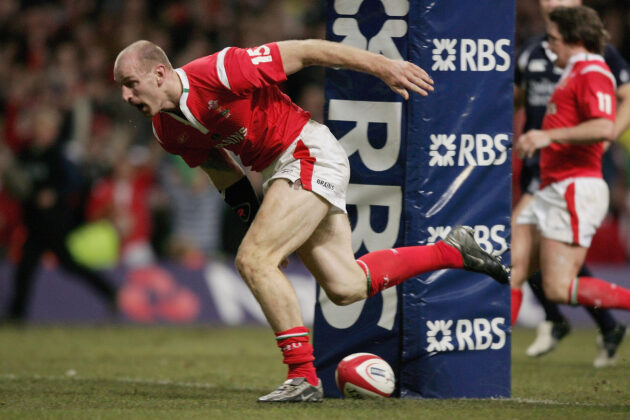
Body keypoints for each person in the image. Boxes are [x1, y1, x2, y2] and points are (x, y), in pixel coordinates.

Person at [113, 38, 509, 402]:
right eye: (121, 87)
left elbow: (306, 50)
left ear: (159, 73)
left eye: (131, 83)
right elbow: (224, 172)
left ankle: (303, 377)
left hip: (306, 151)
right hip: (279, 171)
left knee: (252, 260)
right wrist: (256, 222)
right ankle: (452, 251)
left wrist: (383, 66)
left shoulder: (218, 71)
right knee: (345, 285)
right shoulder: (167, 130)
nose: (126, 95)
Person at [511, 5, 630, 368]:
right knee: (512, 268)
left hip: (575, 188)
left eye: (555, 40)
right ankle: (491, 359)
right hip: (549, 186)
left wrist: (548, 136)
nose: (550, 48)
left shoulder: (594, 71)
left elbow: (603, 127)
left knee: (558, 289)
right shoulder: (574, 69)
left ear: (576, 41)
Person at [3, 106, 118, 323]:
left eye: (46, 127)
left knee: (64, 265)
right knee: (26, 268)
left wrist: (54, 194)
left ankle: (110, 291)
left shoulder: (57, 156)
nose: (42, 131)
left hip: (54, 223)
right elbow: (17, 185)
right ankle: (16, 314)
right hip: (34, 223)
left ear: (53, 131)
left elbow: (74, 183)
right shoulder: (25, 155)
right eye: (39, 127)